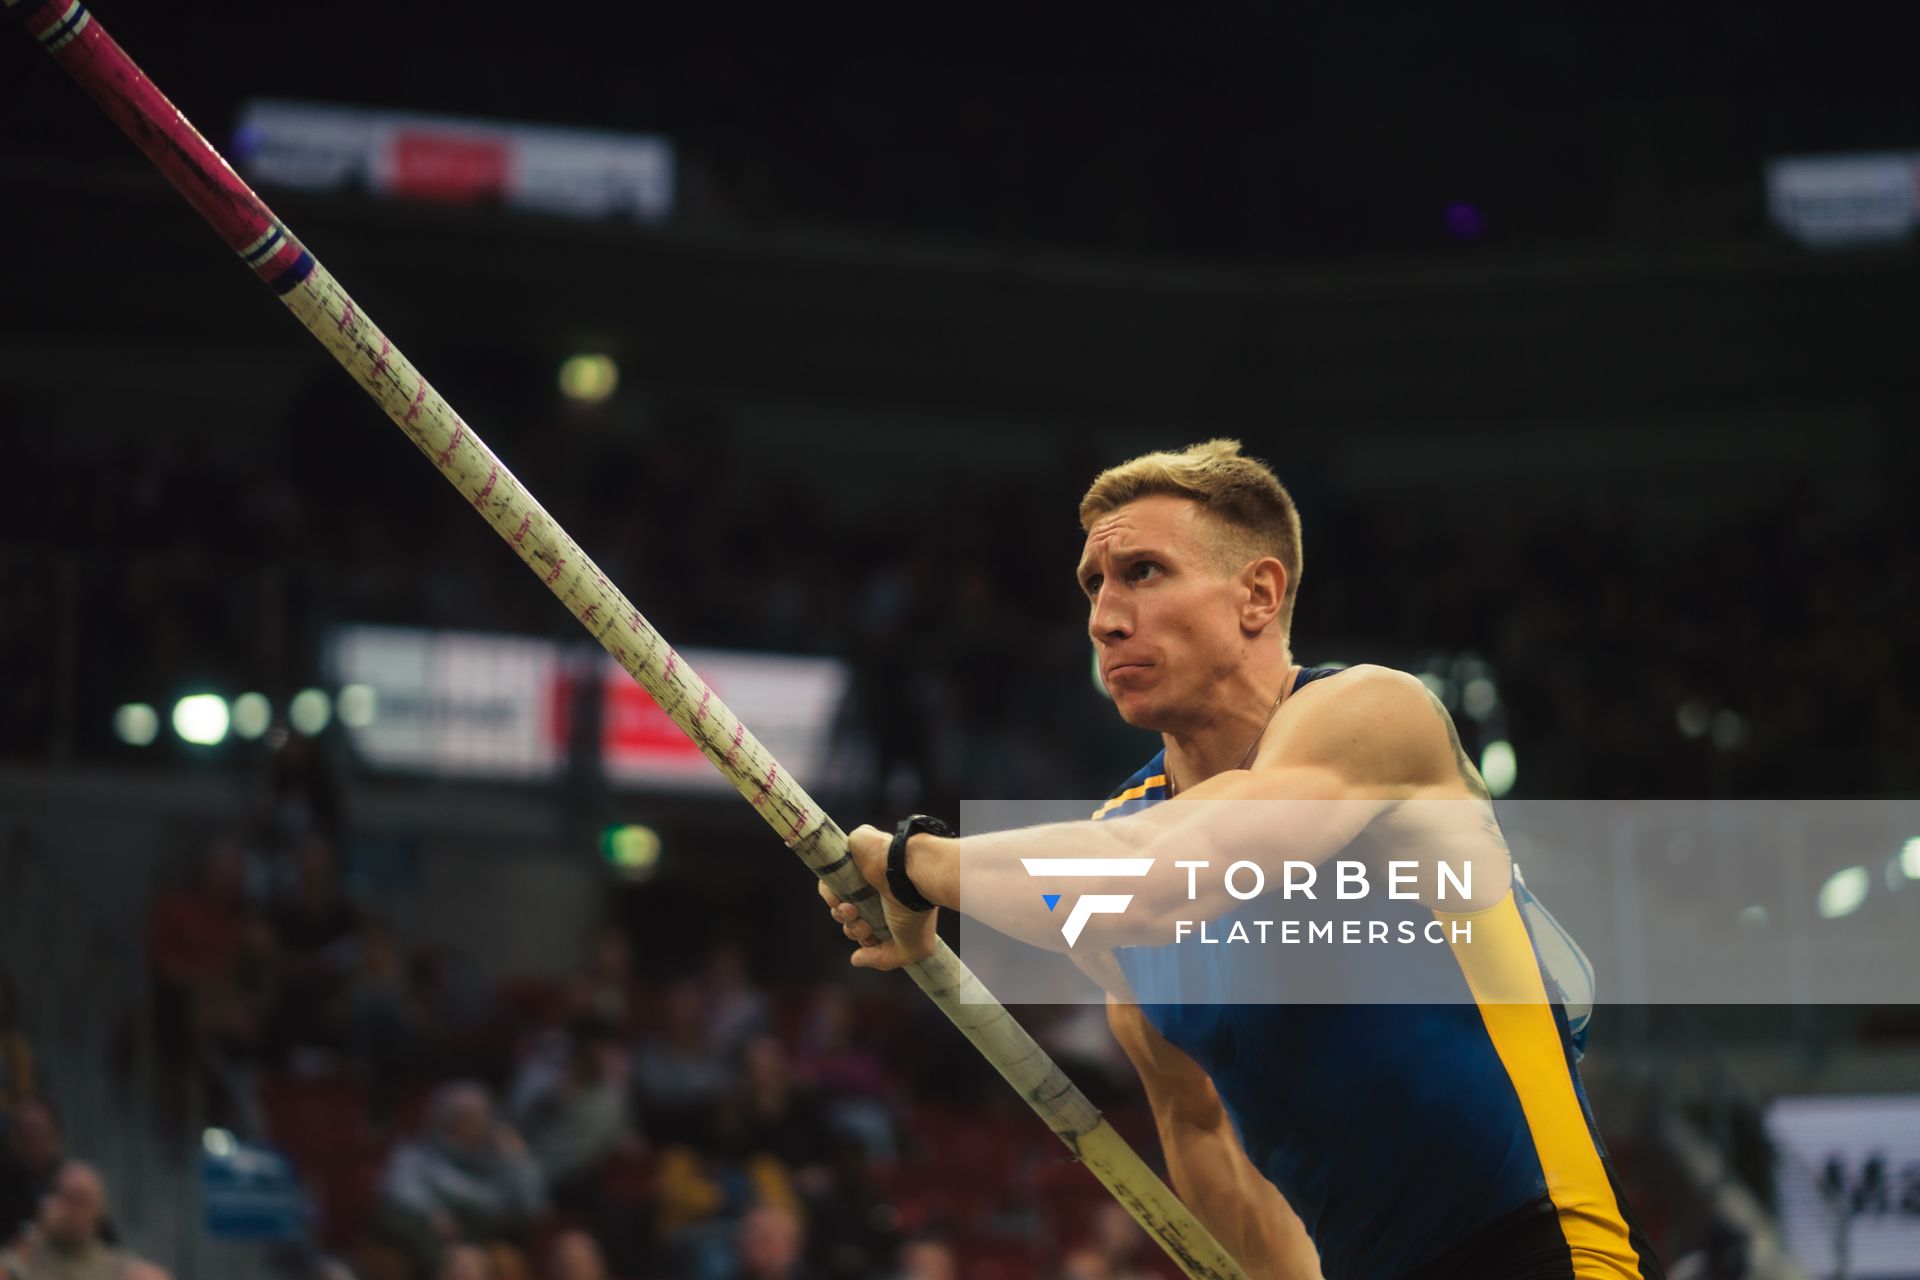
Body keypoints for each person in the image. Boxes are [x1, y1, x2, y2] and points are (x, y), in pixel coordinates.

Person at [820, 440, 1665, 1279]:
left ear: (1258, 594)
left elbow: (1164, 878)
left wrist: (914, 863)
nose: (1105, 617)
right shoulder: (1114, 849)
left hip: (1551, 1254)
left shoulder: (1375, 716)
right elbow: (1202, 1131)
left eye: (1143, 572)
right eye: (1094, 584)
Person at [374, 1082, 544, 1276]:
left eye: (476, 1119)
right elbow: (396, 1193)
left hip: (487, 1241)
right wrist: (430, 1212)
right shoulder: (416, 1154)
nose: (469, 1127)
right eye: (460, 1118)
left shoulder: (503, 1159)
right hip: (427, 1246)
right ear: (441, 1120)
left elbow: (533, 1209)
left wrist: (518, 1162)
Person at [0, 1162, 143, 1280]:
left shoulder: (118, 1267)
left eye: (79, 1199)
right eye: (62, 1197)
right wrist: (36, 1231)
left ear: (99, 1212)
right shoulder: (26, 1257)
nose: (69, 1209)